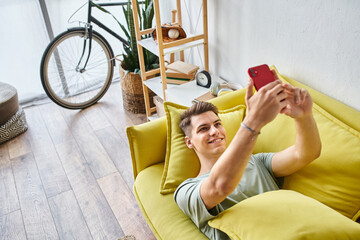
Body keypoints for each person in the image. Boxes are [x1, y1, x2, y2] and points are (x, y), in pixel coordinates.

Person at [174, 79, 321, 239]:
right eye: (203, 129)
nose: (214, 131)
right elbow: (220, 186)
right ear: (189, 142)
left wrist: (304, 116)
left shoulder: (256, 161)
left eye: (217, 124)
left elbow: (305, 153)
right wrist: (253, 121)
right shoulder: (185, 191)